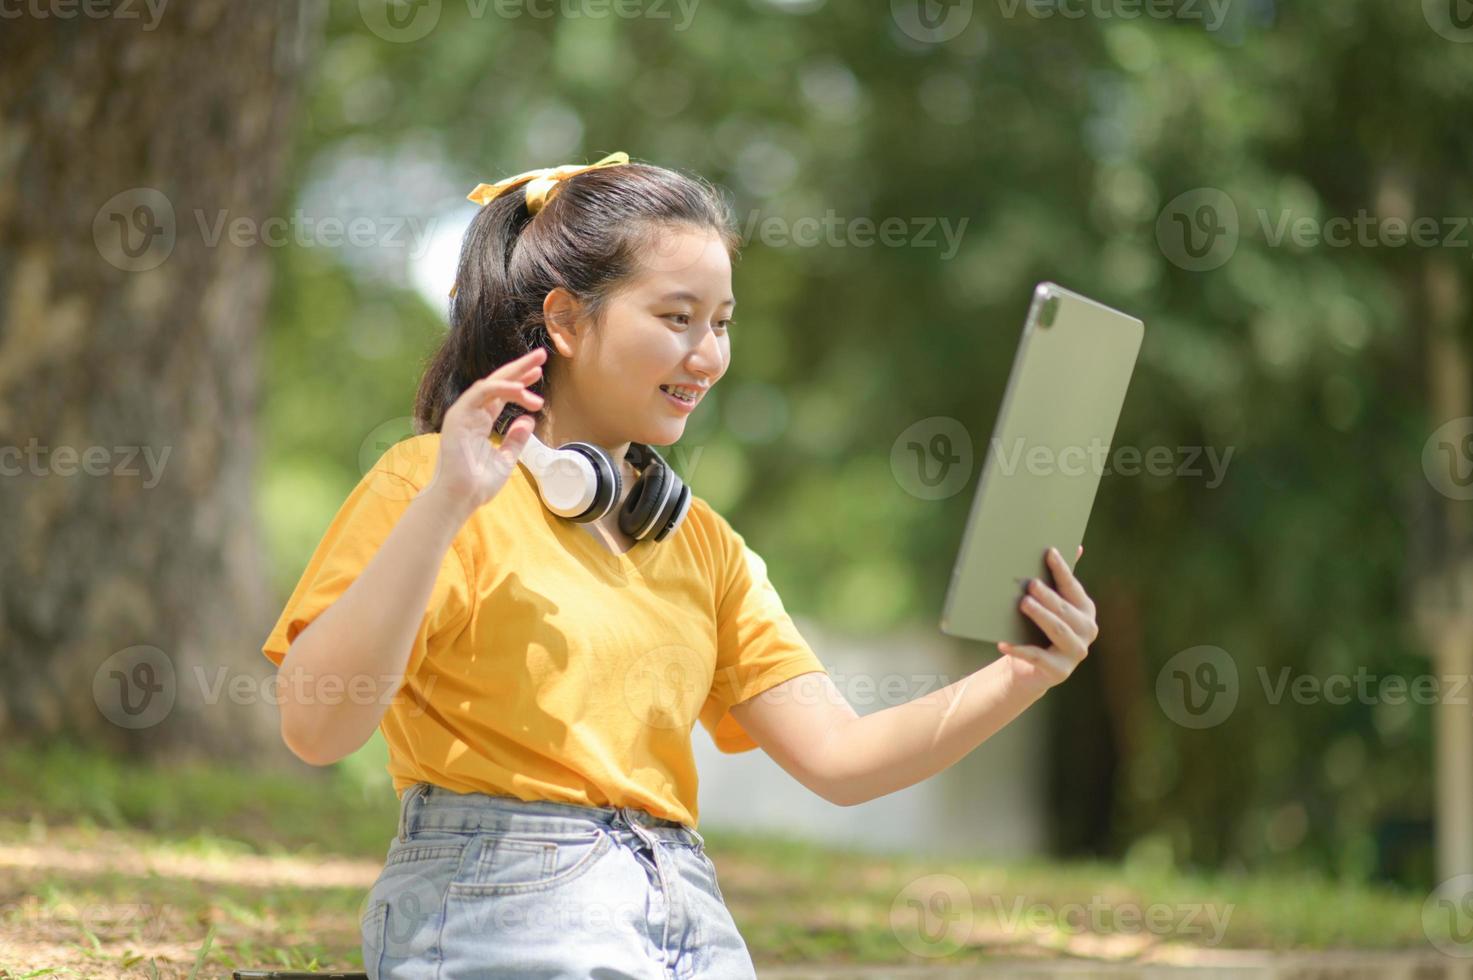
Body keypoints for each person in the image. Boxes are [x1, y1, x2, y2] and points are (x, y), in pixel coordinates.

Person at [260, 151, 1099, 979]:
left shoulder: (703, 545)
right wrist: (445, 505)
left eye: (721, 323)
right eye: (675, 318)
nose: (708, 356)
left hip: (686, 911)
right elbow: (317, 727)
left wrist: (1023, 673)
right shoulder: (428, 483)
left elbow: (842, 761)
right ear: (566, 319)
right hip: (501, 903)